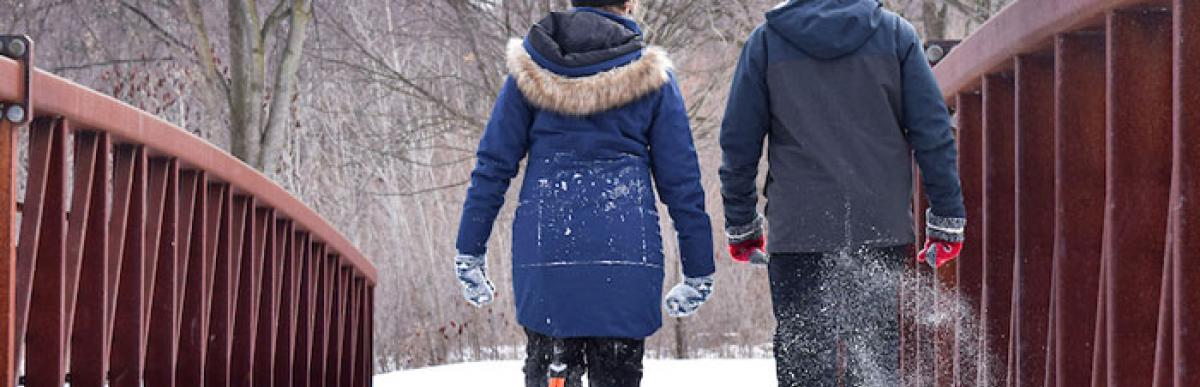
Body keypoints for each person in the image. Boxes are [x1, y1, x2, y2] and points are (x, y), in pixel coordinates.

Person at [453, 1, 716, 386]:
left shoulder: (530, 69)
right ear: (628, 3)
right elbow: (682, 183)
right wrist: (698, 268)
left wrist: (469, 251)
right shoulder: (653, 76)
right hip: (627, 256)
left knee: (551, 373)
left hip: (547, 256)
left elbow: (493, 166)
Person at [719, 0, 967, 385]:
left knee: (804, 360)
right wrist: (946, 216)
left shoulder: (767, 43)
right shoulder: (895, 35)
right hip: (878, 226)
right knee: (873, 362)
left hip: (800, 231)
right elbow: (932, 131)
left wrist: (742, 224)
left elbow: (739, 143)